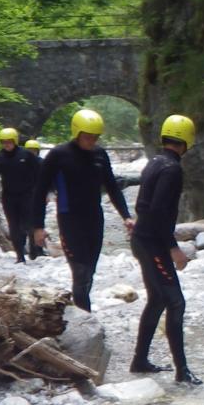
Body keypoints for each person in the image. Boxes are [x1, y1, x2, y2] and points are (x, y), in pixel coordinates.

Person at [30, 108, 133, 311]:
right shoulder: (58, 155)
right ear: (77, 133)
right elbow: (39, 191)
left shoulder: (100, 155)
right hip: (69, 219)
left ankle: (81, 311)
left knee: (89, 271)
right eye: (87, 136)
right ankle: (85, 315)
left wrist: (126, 216)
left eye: (95, 137)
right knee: (80, 272)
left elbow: (112, 187)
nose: (91, 141)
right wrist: (38, 227)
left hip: (94, 219)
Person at [129, 114, 201, 384]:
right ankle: (182, 371)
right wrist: (173, 248)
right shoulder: (172, 169)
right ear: (187, 140)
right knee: (176, 302)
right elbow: (158, 211)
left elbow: (143, 206)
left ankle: (139, 360)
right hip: (153, 244)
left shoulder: (155, 162)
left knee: (158, 300)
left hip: (143, 239)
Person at [0, 126, 43, 263]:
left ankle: (35, 251)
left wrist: (41, 192)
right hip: (9, 196)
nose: (6, 145)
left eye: (9, 142)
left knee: (29, 223)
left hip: (27, 194)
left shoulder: (26, 155)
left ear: (15, 141)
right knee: (13, 225)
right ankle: (20, 255)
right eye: (4, 142)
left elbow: (39, 173)